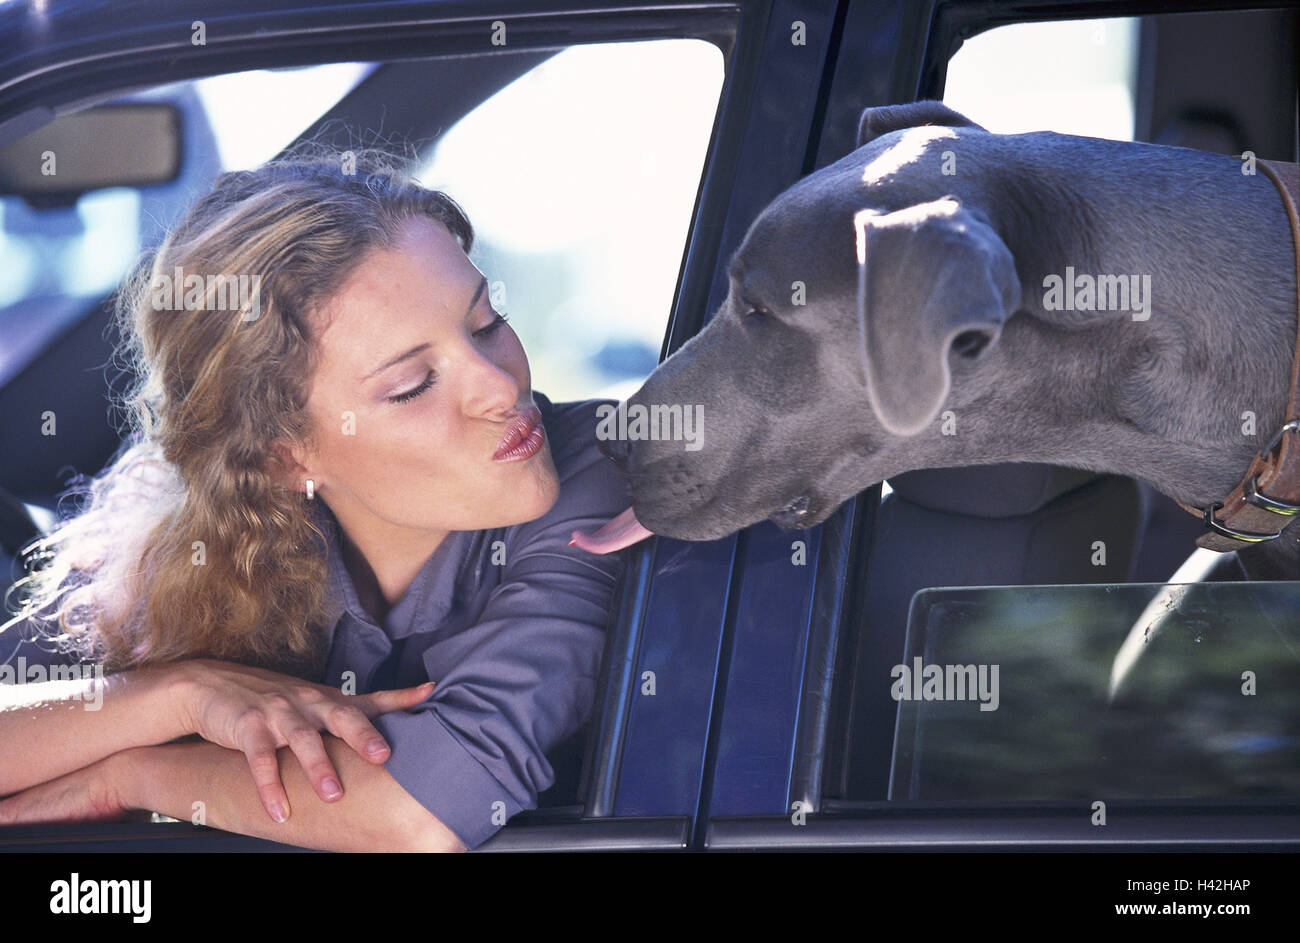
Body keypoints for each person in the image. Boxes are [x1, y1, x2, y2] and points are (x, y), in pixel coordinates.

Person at [0, 149, 632, 852]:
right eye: (413, 384)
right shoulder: (186, 531)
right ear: (283, 454)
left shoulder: (592, 468)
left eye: (485, 322)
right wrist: (178, 691)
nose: (500, 386)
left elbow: (424, 812)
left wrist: (130, 775)